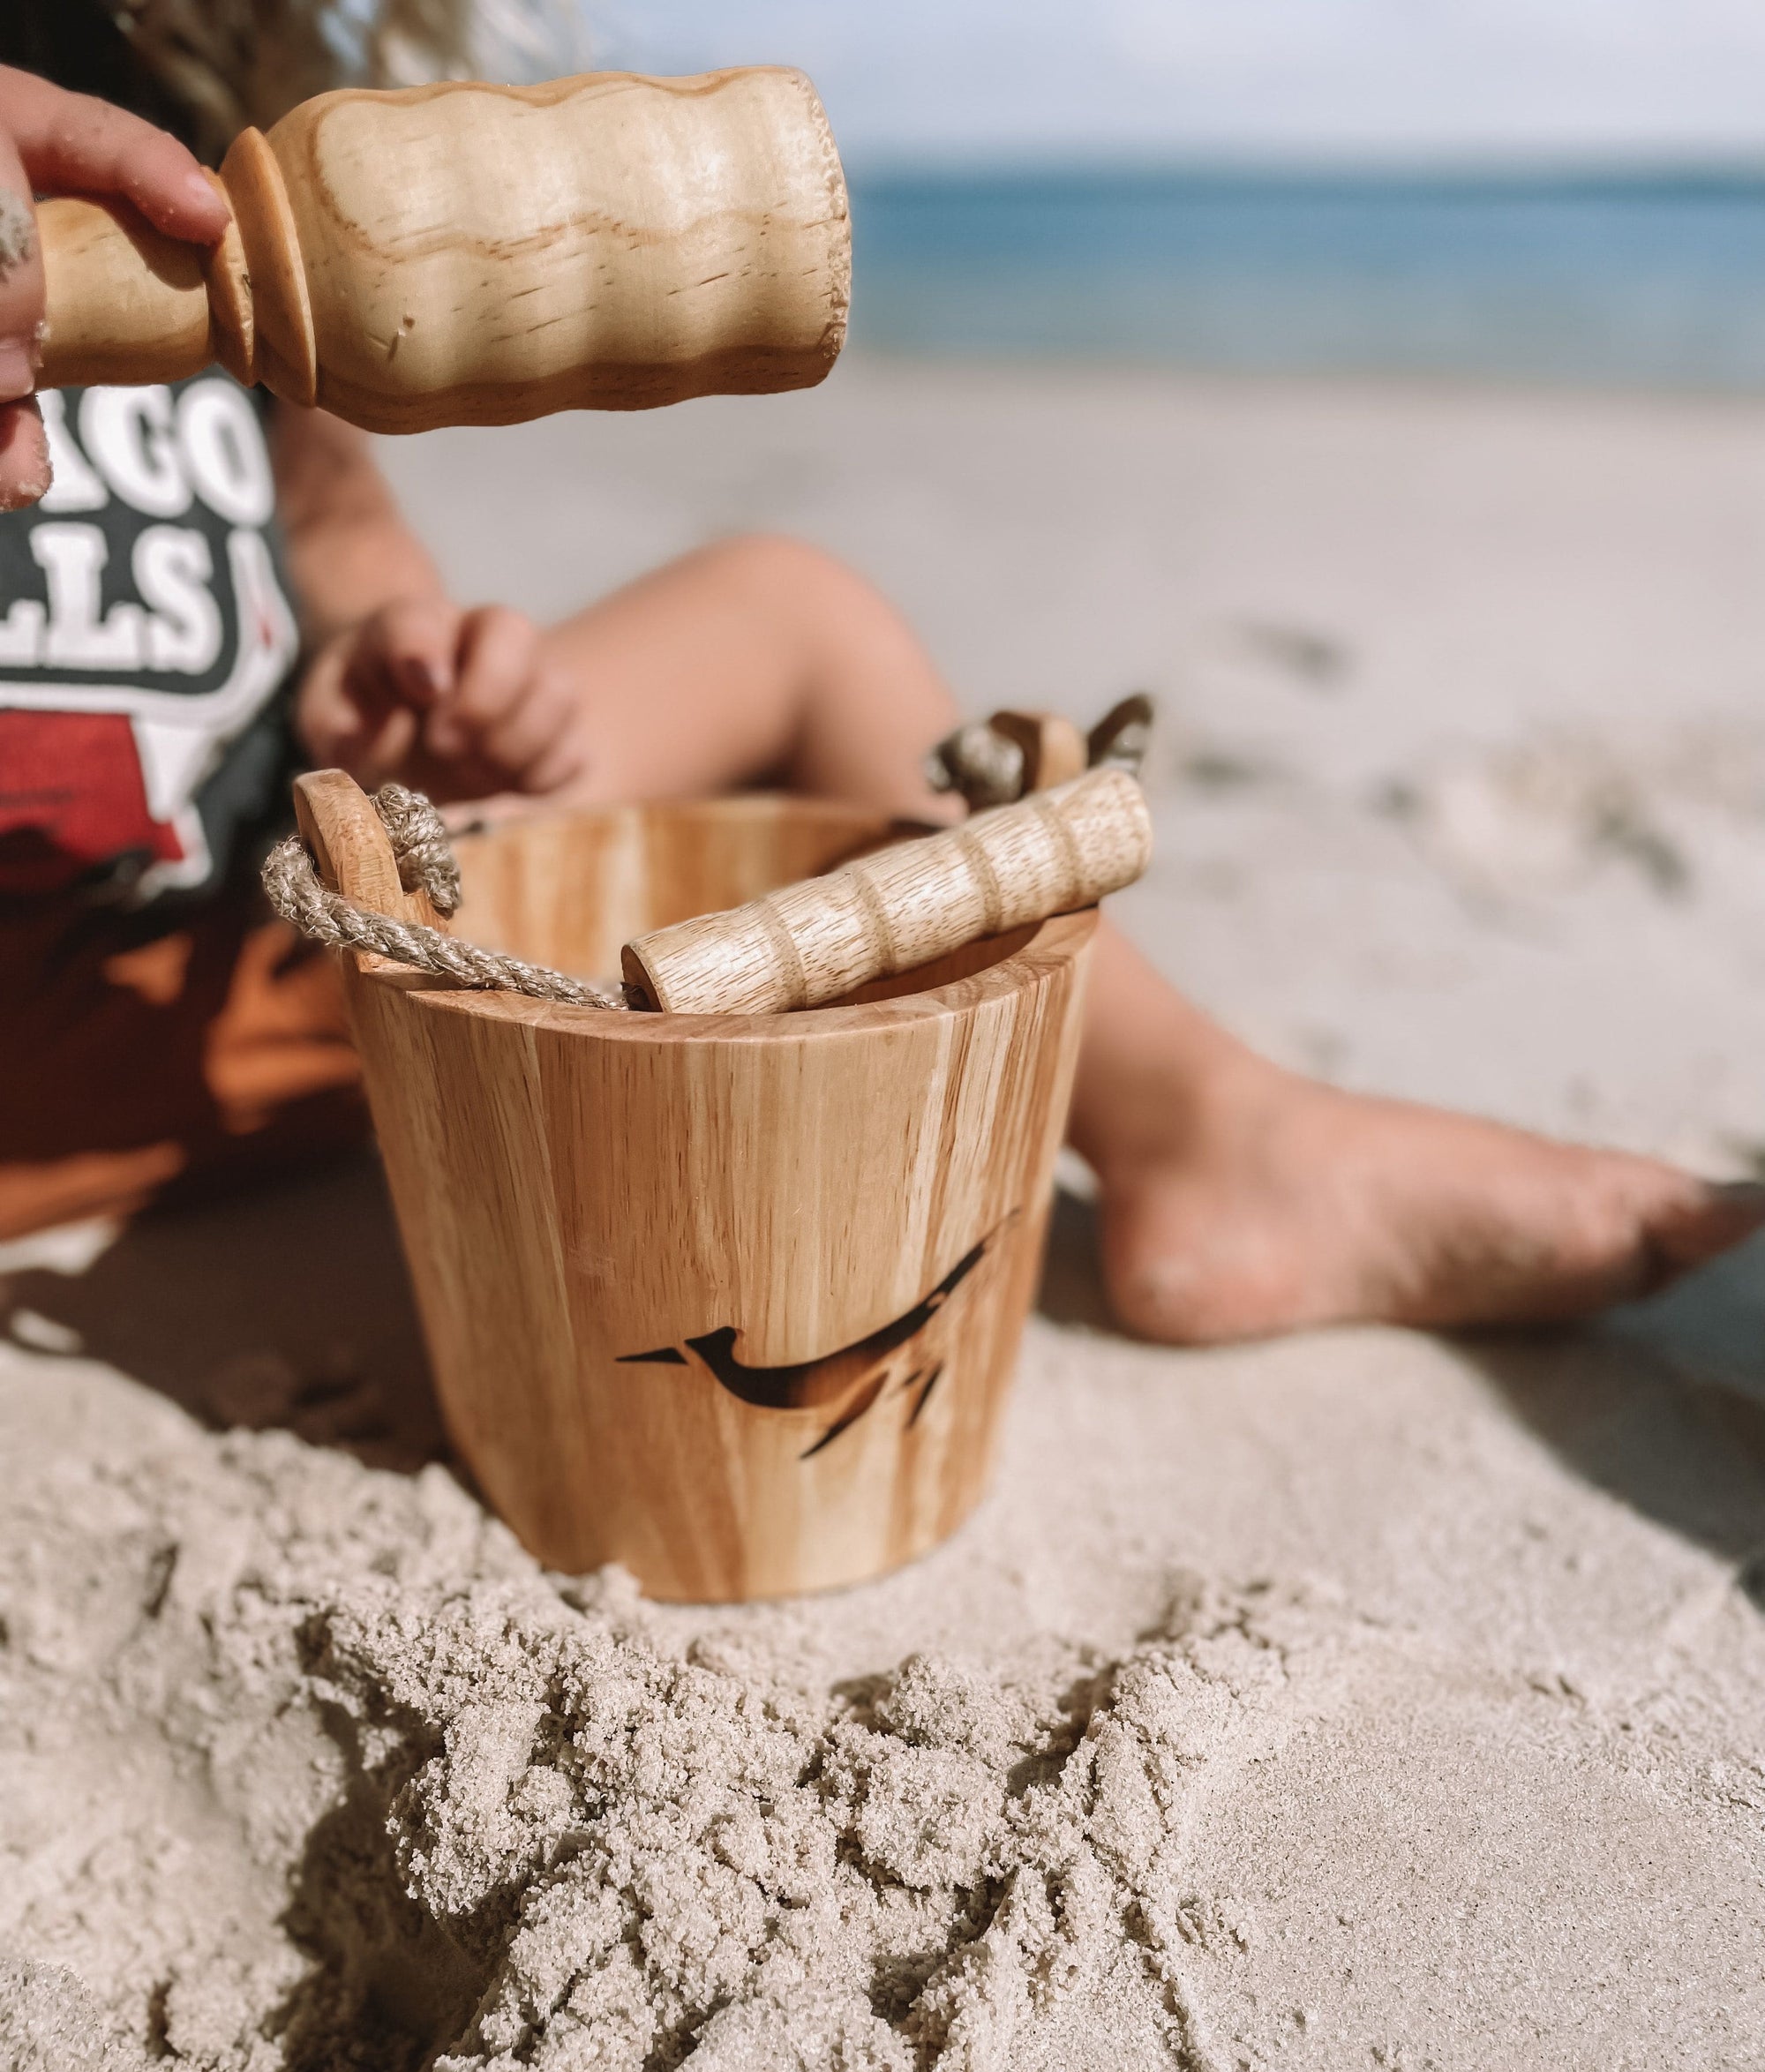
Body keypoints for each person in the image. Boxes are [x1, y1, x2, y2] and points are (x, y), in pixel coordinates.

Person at [3, 10, 1760, 1344]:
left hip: (248, 938)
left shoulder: (167, 103)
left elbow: (330, 526)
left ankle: (1212, 1136)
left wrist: (403, 662)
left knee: (790, 609)